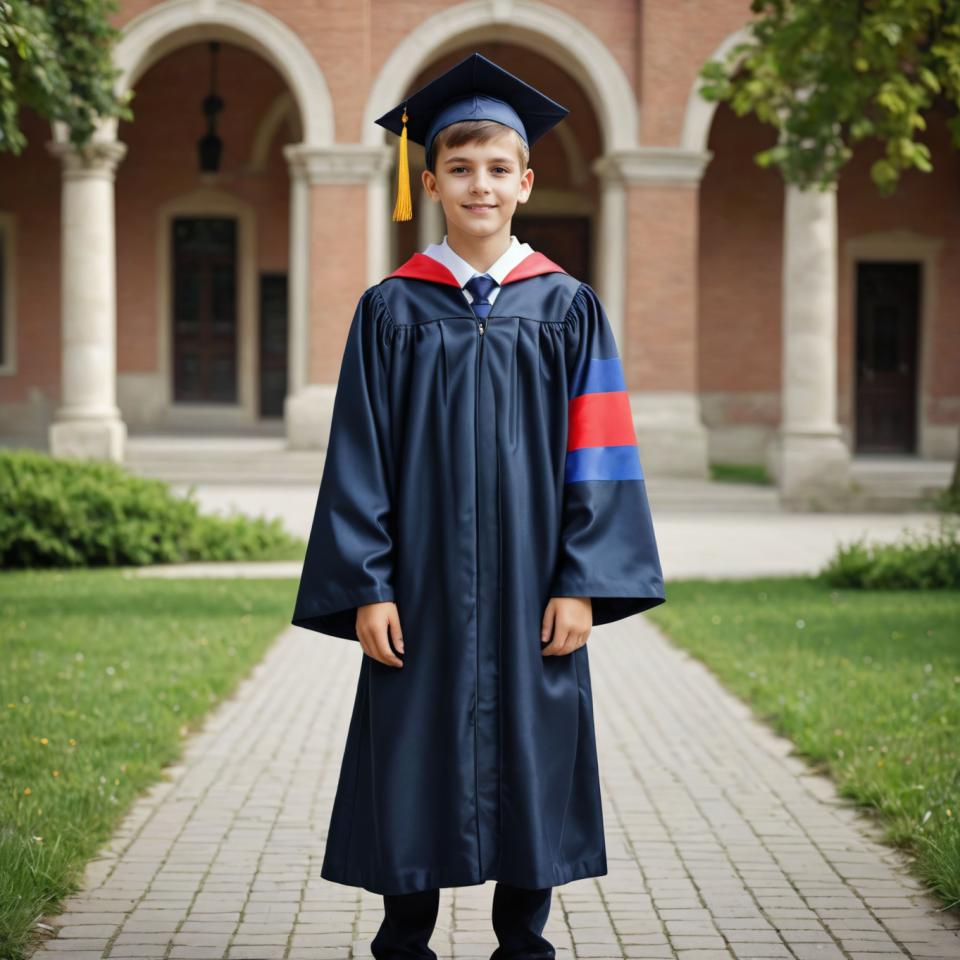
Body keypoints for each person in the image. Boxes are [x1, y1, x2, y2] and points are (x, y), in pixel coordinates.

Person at [291, 51, 666, 960]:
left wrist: (582, 581)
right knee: (412, 742)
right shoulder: (390, 309)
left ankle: (523, 939)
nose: (480, 185)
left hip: (537, 583)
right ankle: (403, 936)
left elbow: (602, 458)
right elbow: (358, 461)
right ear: (429, 180)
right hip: (416, 588)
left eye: (498, 169)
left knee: (534, 744)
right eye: (460, 168)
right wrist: (366, 586)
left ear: (527, 181)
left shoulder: (568, 307)